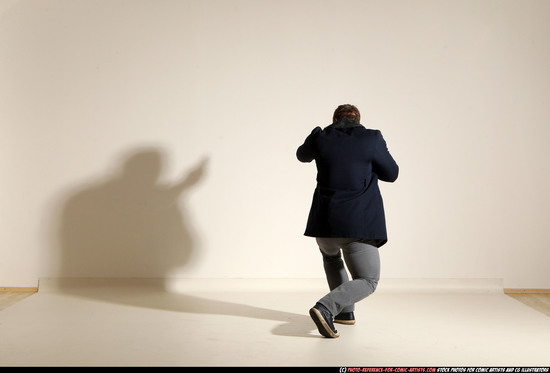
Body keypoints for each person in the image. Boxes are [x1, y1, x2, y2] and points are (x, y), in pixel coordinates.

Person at [296, 104, 399, 338]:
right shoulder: (371, 138)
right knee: (369, 280)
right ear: (359, 120)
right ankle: (326, 307)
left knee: (332, 259)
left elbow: (302, 155)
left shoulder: (321, 137)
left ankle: (344, 312)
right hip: (357, 225)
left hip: (324, 225)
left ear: (334, 119)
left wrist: (315, 134)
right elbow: (391, 174)